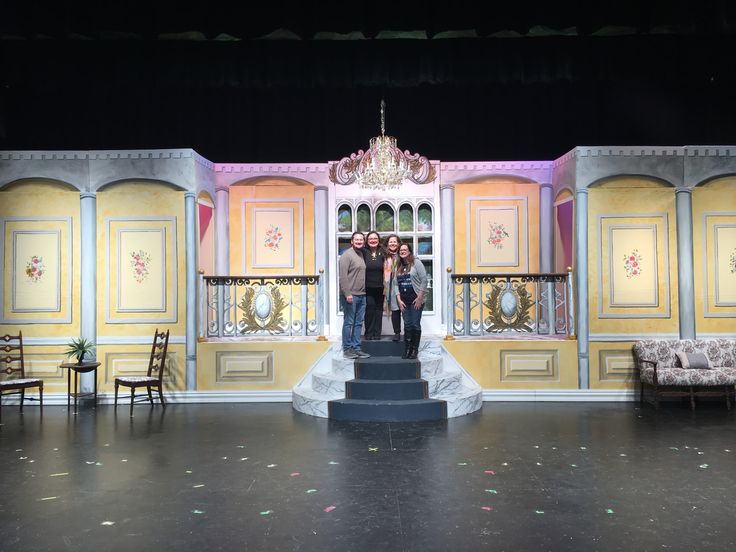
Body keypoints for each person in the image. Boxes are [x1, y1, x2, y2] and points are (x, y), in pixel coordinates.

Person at [338, 232, 370, 359]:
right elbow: (343, 277)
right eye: (356, 240)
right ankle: (347, 349)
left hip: (362, 295)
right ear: (352, 241)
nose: (359, 242)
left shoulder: (361, 254)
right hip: (350, 295)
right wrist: (347, 294)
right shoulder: (347, 255)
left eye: (361, 240)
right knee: (349, 322)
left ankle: (356, 348)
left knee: (358, 323)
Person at [394, 243, 427, 359]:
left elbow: (424, 280)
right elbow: (395, 284)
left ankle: (414, 350)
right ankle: (407, 349)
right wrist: (398, 299)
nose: (402, 251)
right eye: (401, 250)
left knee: (415, 324)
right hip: (404, 301)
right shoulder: (398, 265)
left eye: (405, 249)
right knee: (407, 325)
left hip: (416, 300)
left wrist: (420, 298)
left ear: (409, 251)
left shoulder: (416, 263)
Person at [363, 231, 385, 340]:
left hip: (381, 287)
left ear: (378, 240)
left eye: (375, 238)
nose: (373, 240)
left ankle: (377, 334)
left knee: (379, 310)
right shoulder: (363, 251)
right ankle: (368, 333)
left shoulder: (383, 251)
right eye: (370, 239)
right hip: (367, 287)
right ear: (367, 241)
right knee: (369, 309)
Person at [383, 234, 402, 342]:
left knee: (405, 309)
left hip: (402, 284)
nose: (393, 243)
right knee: (395, 310)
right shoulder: (385, 257)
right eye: (391, 242)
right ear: (387, 244)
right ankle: (397, 333)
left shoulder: (403, 255)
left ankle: (408, 333)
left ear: (398, 243)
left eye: (395, 241)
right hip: (390, 287)